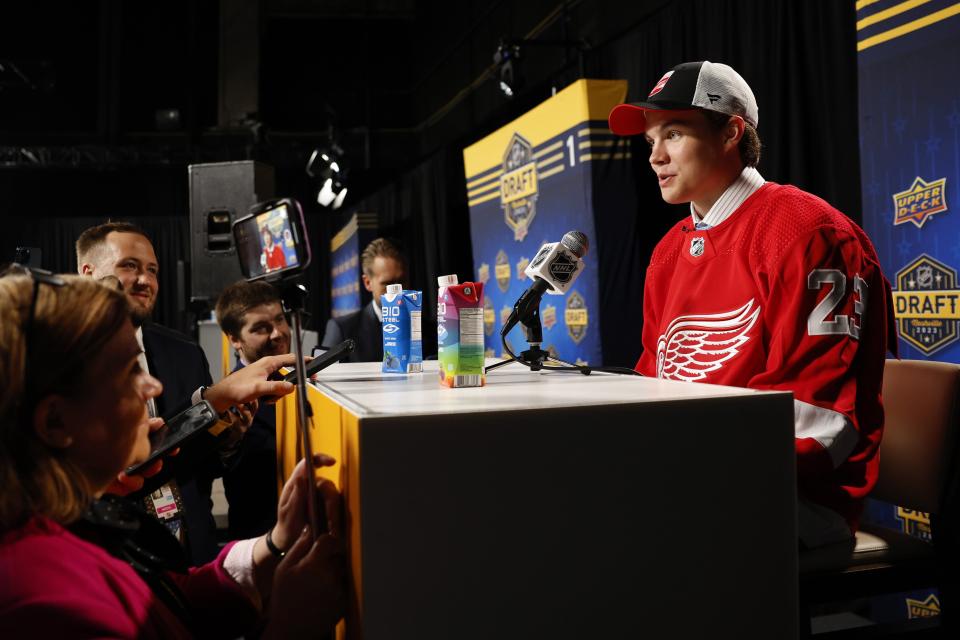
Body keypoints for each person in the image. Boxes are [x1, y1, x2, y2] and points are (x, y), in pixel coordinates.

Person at [608, 61, 897, 548]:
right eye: (650, 141)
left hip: (798, 496)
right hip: (701, 480)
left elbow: (817, 419)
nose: (656, 157)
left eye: (674, 133)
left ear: (731, 132)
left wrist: (678, 467)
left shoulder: (809, 233)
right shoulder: (667, 253)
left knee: (628, 539)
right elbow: (653, 385)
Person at [0, 271, 344, 638]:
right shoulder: (44, 603)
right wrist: (292, 627)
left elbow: (166, 600)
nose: (153, 386)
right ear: (55, 422)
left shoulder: (67, 519)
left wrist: (274, 544)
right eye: (129, 370)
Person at [76, 221, 245, 564]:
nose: (145, 280)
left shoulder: (185, 352)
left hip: (193, 555)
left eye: (152, 270)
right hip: (108, 560)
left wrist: (227, 439)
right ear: (88, 273)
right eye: (130, 266)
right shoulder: (61, 360)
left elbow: (204, 467)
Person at [215, 280, 291, 540]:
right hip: (260, 545)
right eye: (261, 328)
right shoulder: (227, 403)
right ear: (234, 339)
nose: (277, 333)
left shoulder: (305, 381)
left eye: (280, 320)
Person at [321, 237, 406, 362]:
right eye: (388, 284)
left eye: (402, 281)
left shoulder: (430, 329)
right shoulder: (343, 330)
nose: (398, 291)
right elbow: (322, 378)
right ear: (367, 282)